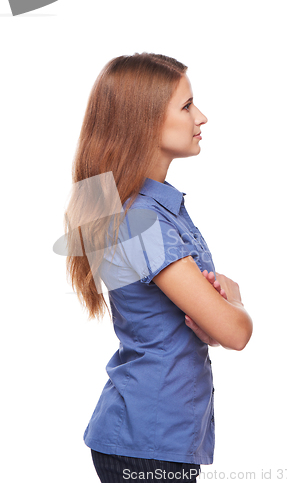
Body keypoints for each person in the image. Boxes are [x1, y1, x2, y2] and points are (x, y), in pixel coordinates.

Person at [64, 53, 253, 483]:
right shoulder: (142, 222)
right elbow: (235, 332)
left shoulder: (155, 209)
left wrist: (216, 315)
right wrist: (235, 301)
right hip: (147, 446)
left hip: (152, 440)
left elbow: (199, 326)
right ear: (145, 121)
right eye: (187, 106)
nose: (201, 117)